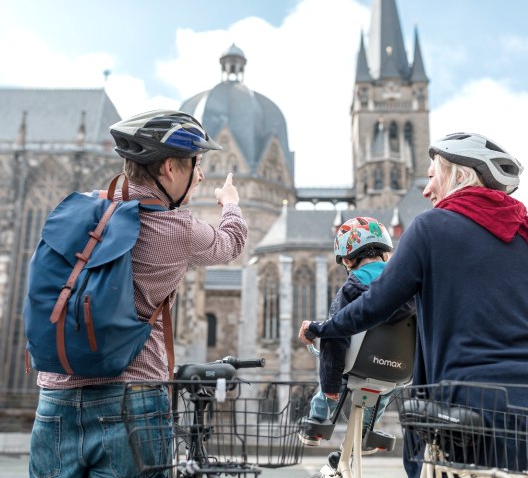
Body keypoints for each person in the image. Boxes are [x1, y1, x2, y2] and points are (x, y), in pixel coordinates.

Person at [29, 110, 248, 478]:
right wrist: (229, 202)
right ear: (169, 169)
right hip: (133, 398)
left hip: (55, 396)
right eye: (196, 164)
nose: (200, 174)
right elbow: (233, 242)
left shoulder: (79, 208)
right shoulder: (177, 229)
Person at [299, 132, 528, 477]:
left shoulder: (430, 227)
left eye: (432, 176)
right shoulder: (522, 232)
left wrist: (325, 329)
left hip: (463, 405)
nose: (425, 189)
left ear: (459, 176)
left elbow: (377, 303)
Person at [298, 217, 416, 450]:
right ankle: (366, 431)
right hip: (398, 370)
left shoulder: (352, 286)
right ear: (386, 254)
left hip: (357, 363)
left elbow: (337, 334)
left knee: (339, 369)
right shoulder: (410, 285)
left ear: (349, 259)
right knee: (383, 388)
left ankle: (317, 422)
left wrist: (330, 385)